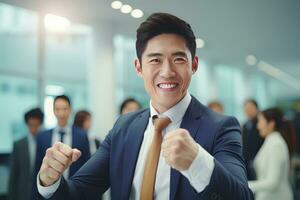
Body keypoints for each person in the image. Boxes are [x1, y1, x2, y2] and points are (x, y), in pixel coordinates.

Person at [36, 13, 254, 200]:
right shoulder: (124, 128)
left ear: (193, 65)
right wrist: (49, 181)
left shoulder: (221, 127)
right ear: (138, 67)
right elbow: (79, 193)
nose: (167, 71)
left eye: (178, 59)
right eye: (155, 60)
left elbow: (242, 196)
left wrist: (198, 162)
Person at [35, 95, 90, 180]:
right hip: (50, 187)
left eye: (65, 109)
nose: (61, 114)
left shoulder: (81, 135)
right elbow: (37, 168)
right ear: (53, 110)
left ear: (70, 110)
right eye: (58, 109)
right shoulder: (43, 137)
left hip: (74, 186)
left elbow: (87, 165)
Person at [248, 108, 297, 200]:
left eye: (260, 122)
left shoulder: (276, 144)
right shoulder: (270, 141)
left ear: (271, 124)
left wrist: (244, 185)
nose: (258, 126)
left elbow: (272, 182)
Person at [8, 108, 44, 200]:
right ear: (27, 124)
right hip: (22, 192)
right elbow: (13, 174)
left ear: (40, 124)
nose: (33, 128)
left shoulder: (45, 143)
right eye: (31, 125)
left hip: (40, 192)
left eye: (36, 125)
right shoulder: (18, 144)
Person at [242, 99, 264, 180]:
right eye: (246, 109)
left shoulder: (261, 124)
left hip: (259, 160)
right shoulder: (245, 125)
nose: (248, 111)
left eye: (251, 108)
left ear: (257, 108)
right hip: (247, 162)